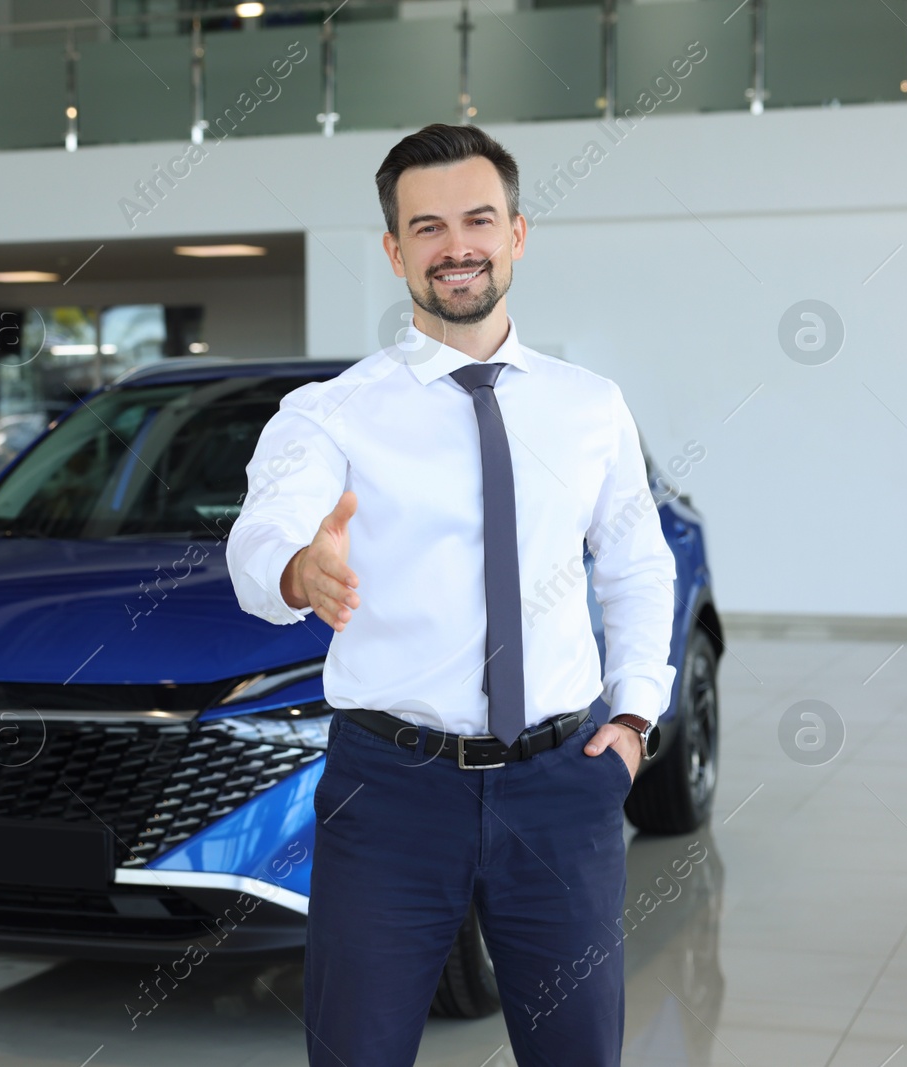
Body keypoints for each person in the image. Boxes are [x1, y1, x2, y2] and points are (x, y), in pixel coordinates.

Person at [225, 123, 677, 1067]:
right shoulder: (331, 412)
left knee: (579, 1054)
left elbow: (636, 564)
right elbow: (259, 537)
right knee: (356, 1052)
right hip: (391, 792)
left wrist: (635, 720)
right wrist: (299, 570)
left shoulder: (590, 405)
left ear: (518, 231)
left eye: (478, 218)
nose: (456, 245)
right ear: (395, 251)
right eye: (426, 228)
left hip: (561, 783)